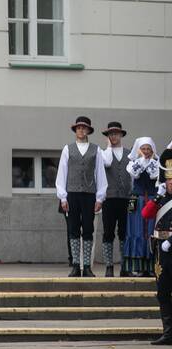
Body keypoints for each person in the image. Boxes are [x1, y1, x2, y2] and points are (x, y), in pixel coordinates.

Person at [55, 116, 107, 277]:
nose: (81, 130)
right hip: (72, 194)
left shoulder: (96, 150)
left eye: (84, 128)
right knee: (73, 229)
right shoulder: (67, 149)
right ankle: (76, 265)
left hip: (89, 194)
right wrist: (63, 197)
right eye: (79, 128)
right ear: (75, 130)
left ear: (88, 131)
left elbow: (100, 174)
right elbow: (62, 173)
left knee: (88, 229)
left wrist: (100, 198)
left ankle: (87, 266)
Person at [141, 165, 172, 345]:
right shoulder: (161, 199)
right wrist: (157, 197)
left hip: (171, 245)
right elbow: (146, 214)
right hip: (161, 250)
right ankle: (168, 333)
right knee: (162, 292)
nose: (171, 184)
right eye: (169, 181)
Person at [99, 121, 132, 278]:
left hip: (126, 198)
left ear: (121, 135)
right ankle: (109, 266)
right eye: (111, 134)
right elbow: (107, 163)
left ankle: (125, 265)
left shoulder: (130, 154)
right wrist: (108, 147)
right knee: (108, 232)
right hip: (109, 198)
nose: (114, 136)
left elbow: (133, 177)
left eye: (116, 133)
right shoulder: (104, 153)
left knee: (125, 232)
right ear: (108, 136)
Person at [125, 137, 160, 277]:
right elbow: (134, 173)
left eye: (148, 149)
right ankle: (136, 266)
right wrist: (140, 161)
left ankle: (151, 266)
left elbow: (154, 176)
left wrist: (150, 161)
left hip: (151, 200)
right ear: (138, 150)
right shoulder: (133, 163)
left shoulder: (156, 164)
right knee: (135, 229)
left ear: (152, 150)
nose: (146, 152)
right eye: (143, 149)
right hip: (136, 199)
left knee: (151, 230)